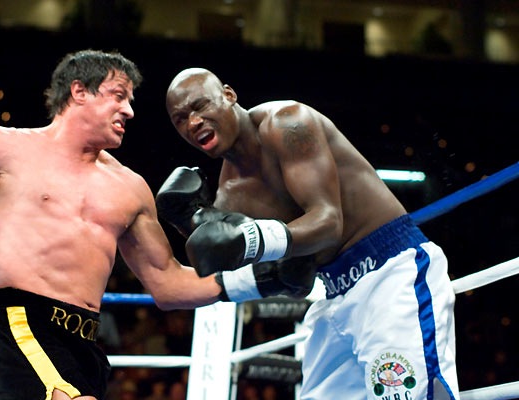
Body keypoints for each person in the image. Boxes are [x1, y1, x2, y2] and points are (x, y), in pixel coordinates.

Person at [0, 50, 226, 400]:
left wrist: (253, 278)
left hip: (86, 345)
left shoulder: (130, 188)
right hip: (23, 328)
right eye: (118, 96)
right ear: (79, 91)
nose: (129, 110)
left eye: (130, 100)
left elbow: (168, 283)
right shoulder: (2, 148)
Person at [160, 67, 460, 399]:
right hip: (333, 291)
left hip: (389, 271)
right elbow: (296, 279)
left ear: (229, 95)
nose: (193, 122)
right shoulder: (231, 195)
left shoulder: (287, 123)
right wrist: (190, 224)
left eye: (200, 106)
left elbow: (329, 223)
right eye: (180, 119)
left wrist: (252, 239)